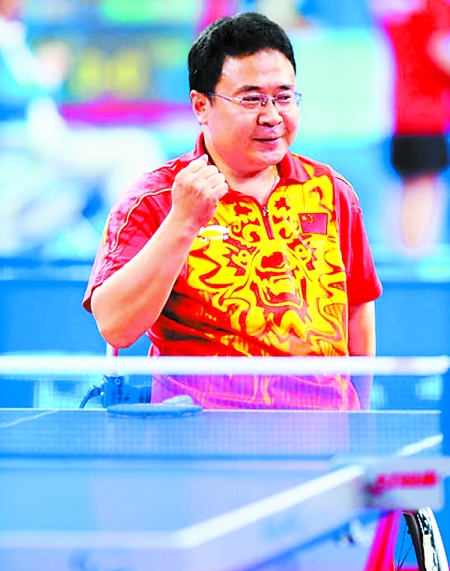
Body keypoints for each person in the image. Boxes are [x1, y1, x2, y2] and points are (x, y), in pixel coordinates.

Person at [83, 12, 382, 410]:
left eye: (284, 97)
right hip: (204, 436)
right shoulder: (155, 198)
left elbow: (357, 312)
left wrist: (359, 422)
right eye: (251, 99)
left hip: (323, 429)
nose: (272, 116)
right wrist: (183, 222)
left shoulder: (331, 191)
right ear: (201, 106)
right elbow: (115, 326)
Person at [371, 0, 450, 257]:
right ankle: (415, 259)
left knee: (405, 187)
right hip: (427, 115)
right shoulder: (434, 8)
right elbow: (441, 52)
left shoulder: (397, 11)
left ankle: (400, 255)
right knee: (424, 187)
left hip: (400, 112)